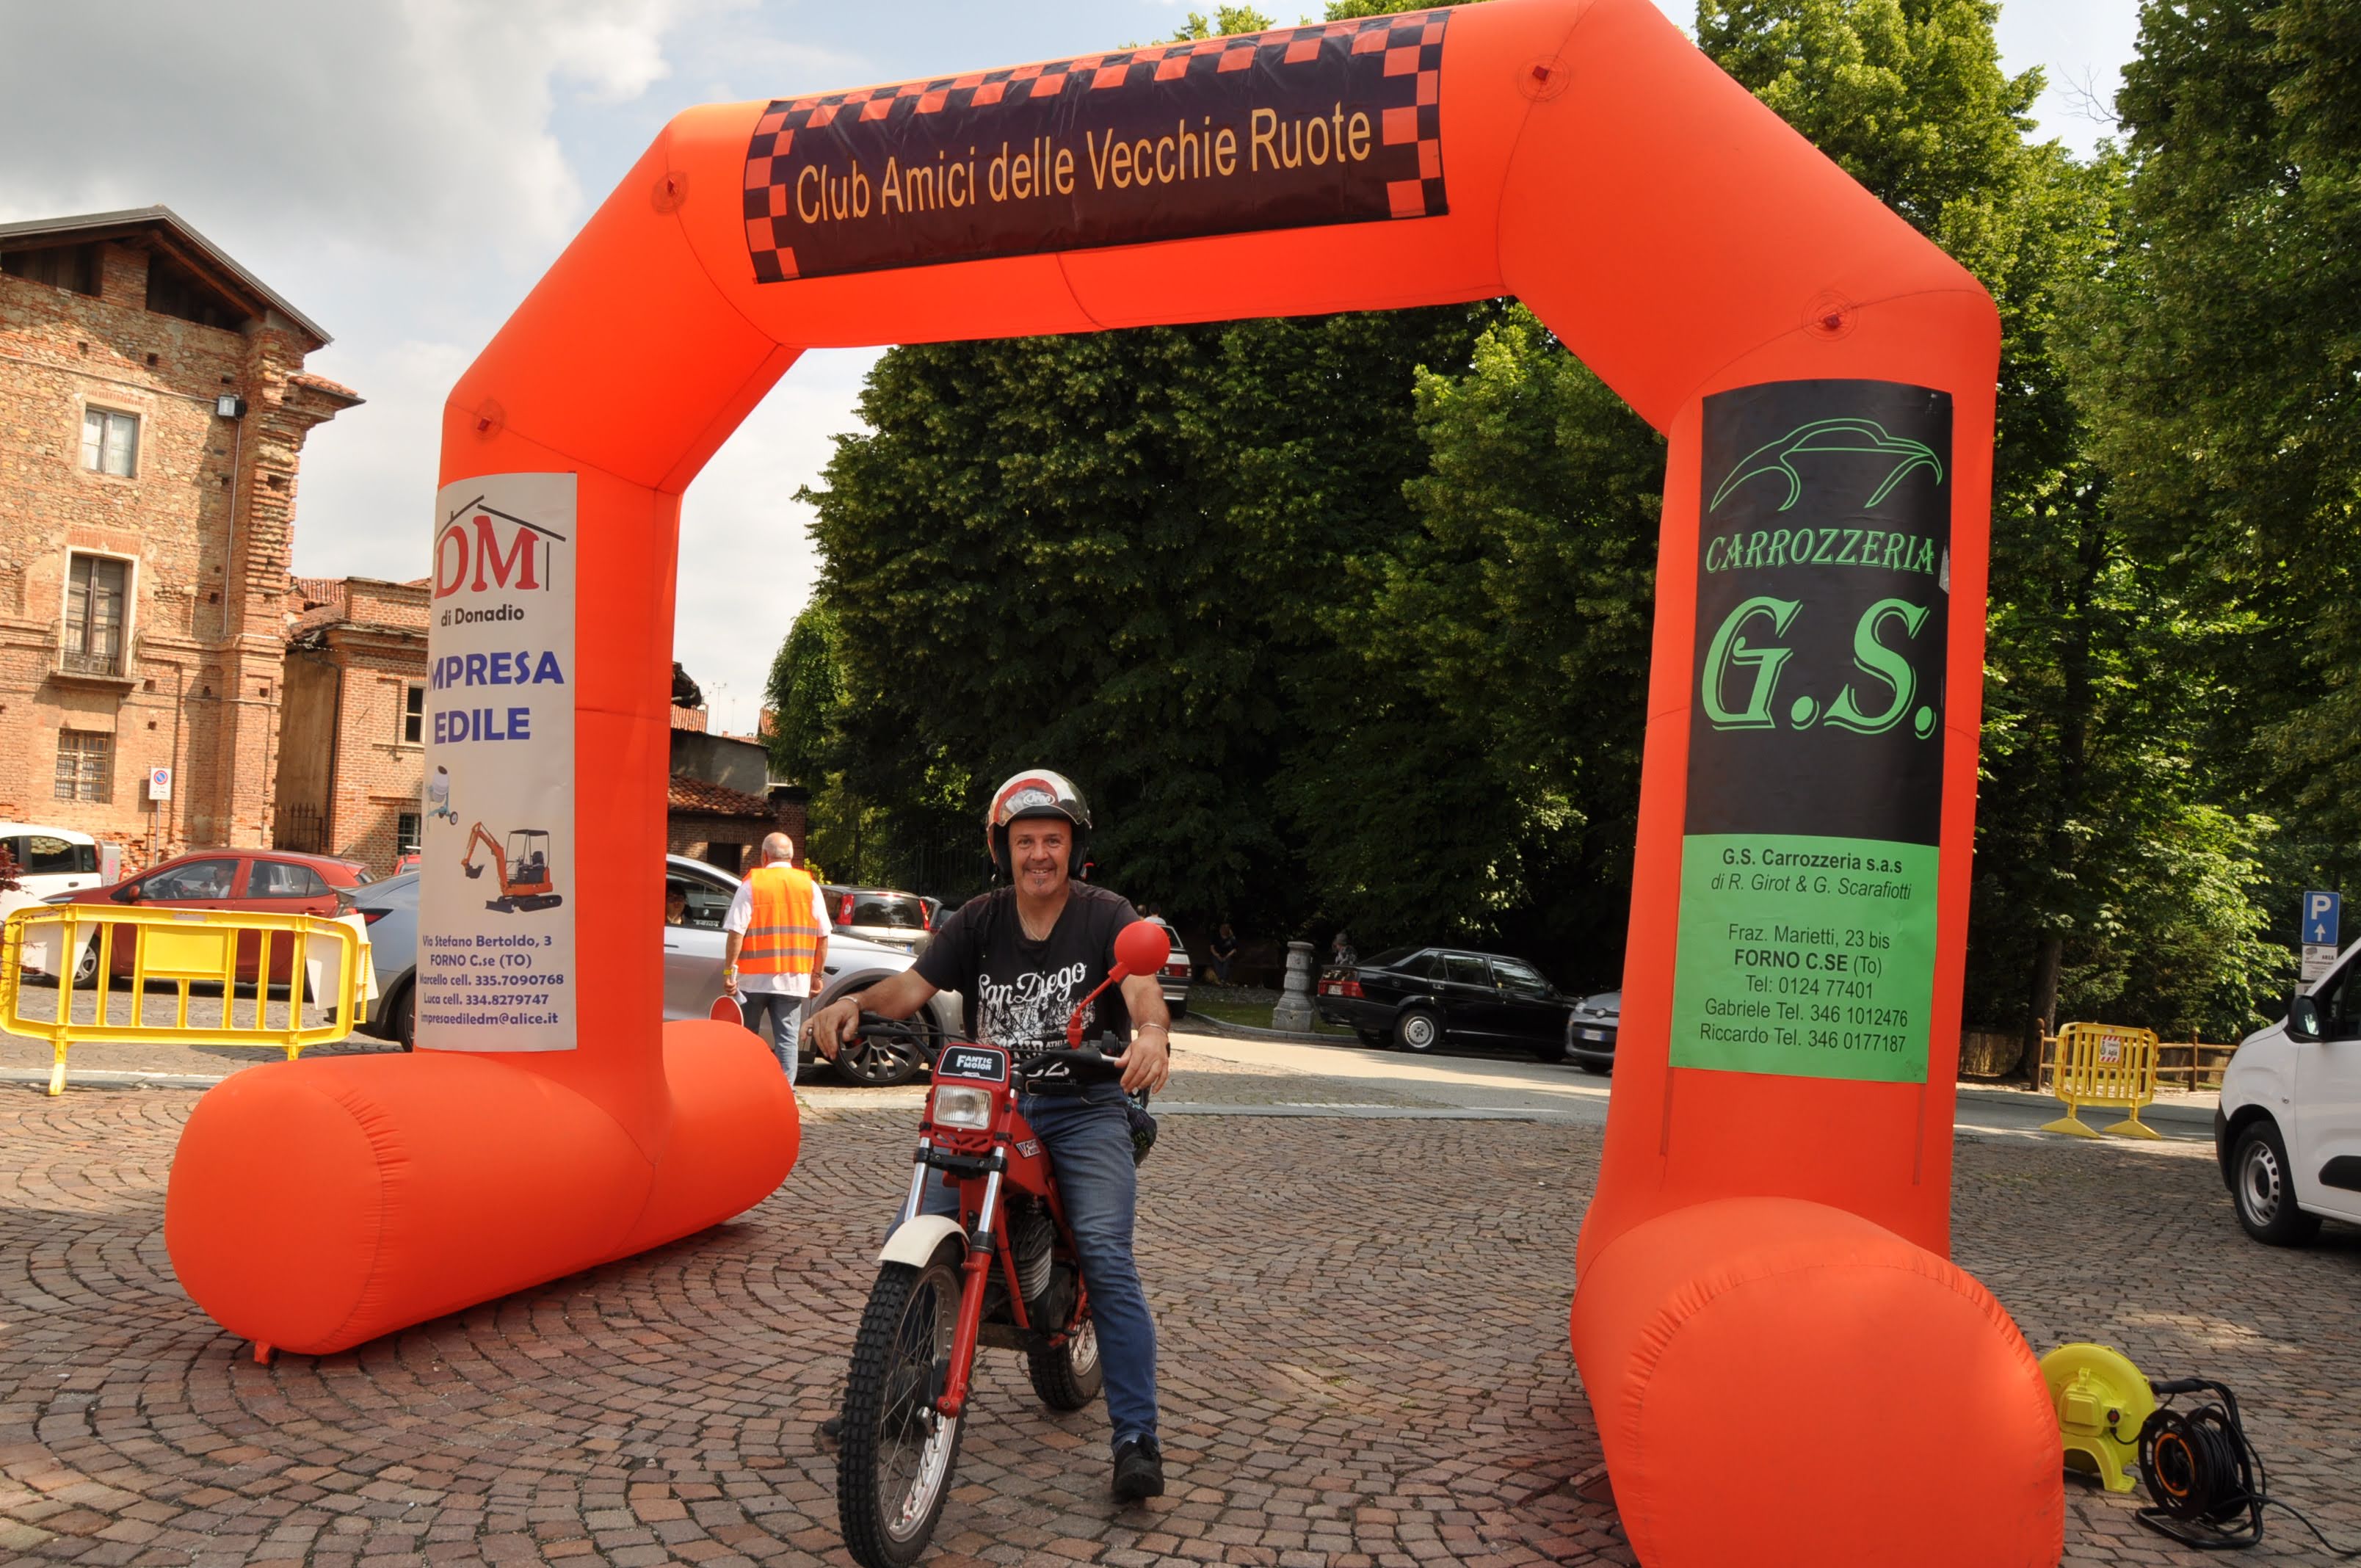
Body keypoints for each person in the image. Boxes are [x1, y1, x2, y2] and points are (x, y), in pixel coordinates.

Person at [805, 768, 1173, 1501]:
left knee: (1105, 1255)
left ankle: (1136, 1436)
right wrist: (853, 1006)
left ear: (1074, 849)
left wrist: (1153, 1034)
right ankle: (890, 1388)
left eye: (1053, 840)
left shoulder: (1106, 915)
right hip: (990, 1100)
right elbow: (911, 988)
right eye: (1025, 840)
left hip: (1083, 1105)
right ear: (1003, 849)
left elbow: (1142, 991)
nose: (1040, 854)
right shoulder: (978, 919)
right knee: (912, 1227)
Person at [722, 832, 829, 1082]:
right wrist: (817, 975)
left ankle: (747, 1086)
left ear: (764, 856)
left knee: (747, 1037)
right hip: (793, 979)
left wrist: (729, 972)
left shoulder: (752, 885)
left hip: (752, 981)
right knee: (787, 1040)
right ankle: (785, 1092)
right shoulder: (810, 887)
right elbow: (823, 935)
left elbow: (736, 932)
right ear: (791, 857)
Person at [1208, 921, 1239, 986]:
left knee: (1227, 962)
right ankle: (1222, 979)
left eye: (1223, 929)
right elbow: (1212, 948)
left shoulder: (1232, 938)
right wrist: (1217, 955)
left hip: (1228, 956)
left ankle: (1223, 979)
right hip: (1217, 955)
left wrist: (1227, 956)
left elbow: (1235, 950)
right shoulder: (1216, 937)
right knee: (1216, 961)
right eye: (1221, 929)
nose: (1221, 930)